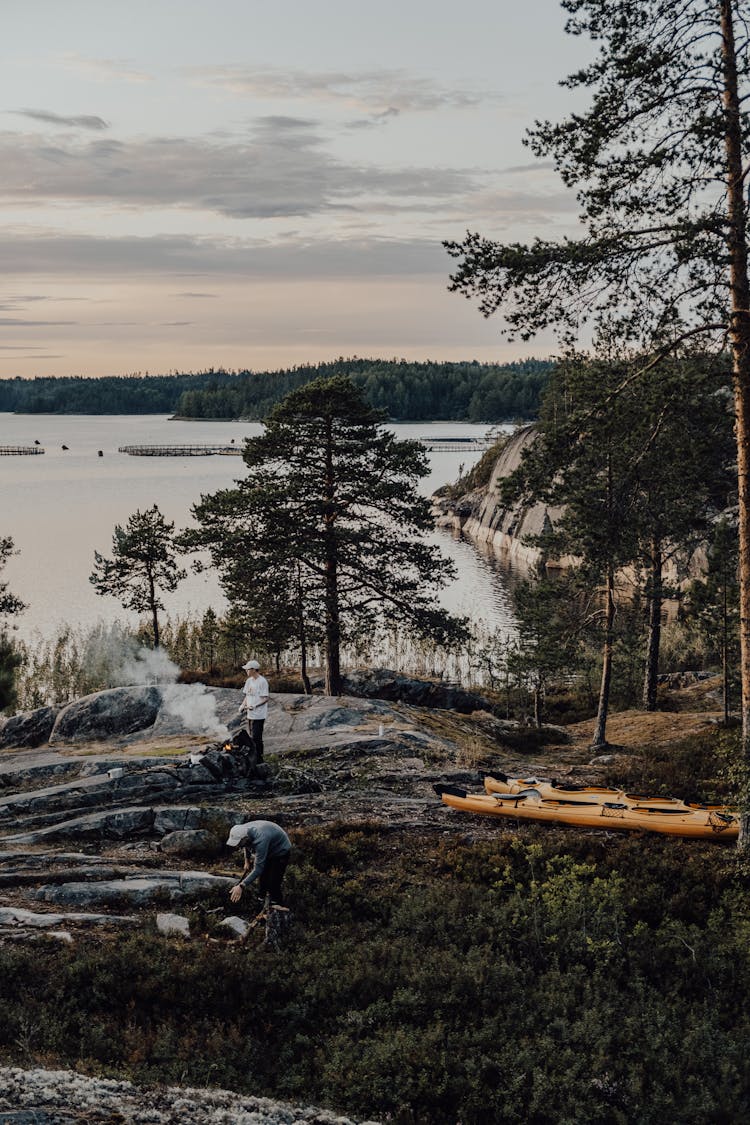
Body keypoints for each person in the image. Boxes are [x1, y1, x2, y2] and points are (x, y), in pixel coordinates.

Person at [227, 820, 291, 906]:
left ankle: (277, 905)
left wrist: (241, 886)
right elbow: (245, 845)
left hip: (280, 850)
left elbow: (258, 869)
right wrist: (247, 860)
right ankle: (261, 901)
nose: (237, 846)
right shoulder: (243, 829)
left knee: (273, 882)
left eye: (238, 843)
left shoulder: (261, 839)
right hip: (268, 847)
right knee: (262, 879)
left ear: (245, 838)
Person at [239, 659, 269, 762]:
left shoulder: (262, 681)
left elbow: (265, 698)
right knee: (251, 737)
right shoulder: (249, 681)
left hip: (259, 715)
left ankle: (260, 759)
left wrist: (255, 705)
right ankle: (253, 758)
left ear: (253, 669)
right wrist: (243, 705)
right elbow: (247, 695)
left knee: (257, 738)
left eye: (247, 669)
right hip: (250, 715)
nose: (246, 671)